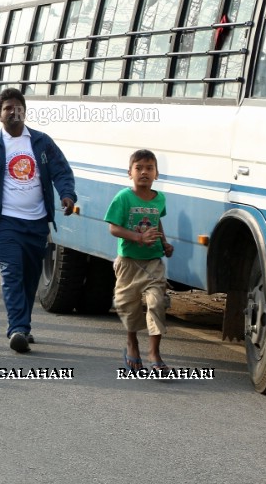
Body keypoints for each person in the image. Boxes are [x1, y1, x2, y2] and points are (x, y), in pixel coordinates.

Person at [0, 87, 77, 354]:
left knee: (29, 276)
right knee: (12, 273)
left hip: (36, 223)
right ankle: (17, 328)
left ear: (24, 111)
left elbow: (61, 170)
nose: (13, 112)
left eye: (18, 107)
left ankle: (23, 327)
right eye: (8, 108)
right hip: (5, 224)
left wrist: (67, 195)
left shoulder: (41, 142)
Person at [106, 150, 174, 373]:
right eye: (139, 168)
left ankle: (154, 352)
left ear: (157, 174)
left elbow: (157, 223)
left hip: (153, 262)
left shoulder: (160, 199)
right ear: (129, 173)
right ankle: (132, 342)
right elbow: (113, 228)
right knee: (128, 306)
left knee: (156, 303)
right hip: (128, 263)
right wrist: (138, 237)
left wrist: (164, 243)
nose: (144, 172)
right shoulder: (123, 198)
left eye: (149, 168)